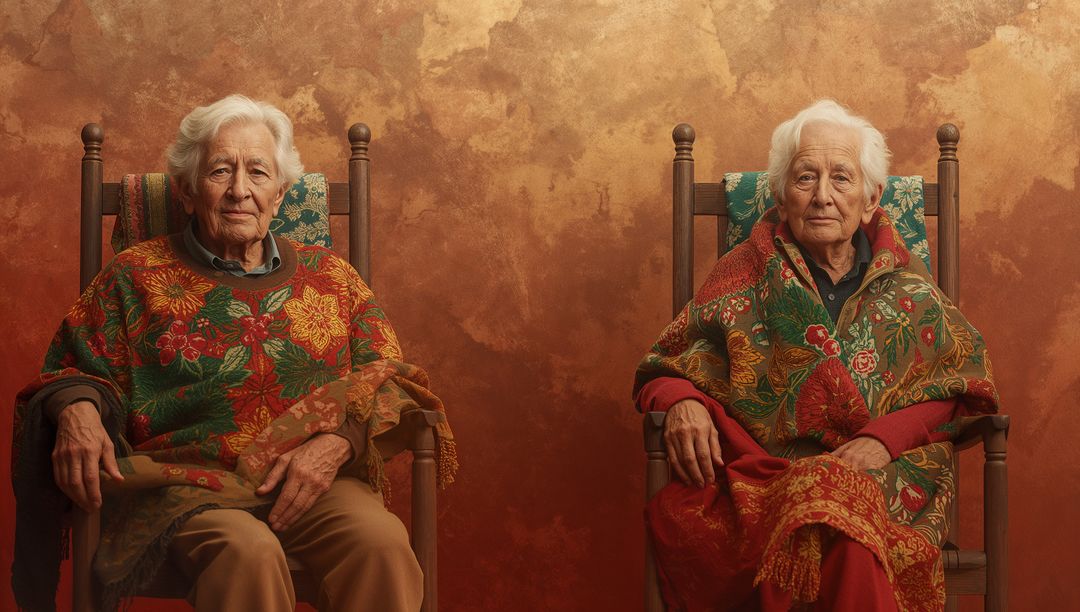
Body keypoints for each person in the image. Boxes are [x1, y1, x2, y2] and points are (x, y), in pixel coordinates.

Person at [12, 95, 457, 612]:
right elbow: (70, 366)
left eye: (258, 173)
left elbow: (388, 378)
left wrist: (339, 442)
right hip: (187, 485)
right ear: (186, 190)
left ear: (281, 193)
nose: (240, 190)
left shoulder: (333, 277)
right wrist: (77, 408)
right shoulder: (135, 275)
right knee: (248, 553)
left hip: (311, 481)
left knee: (382, 546)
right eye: (220, 171)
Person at [635, 100, 997, 612]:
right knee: (839, 523)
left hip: (884, 477)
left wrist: (882, 439)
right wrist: (681, 401)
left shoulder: (909, 286)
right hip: (767, 481)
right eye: (805, 177)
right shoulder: (743, 272)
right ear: (781, 198)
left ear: (871, 199)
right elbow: (667, 364)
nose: (823, 196)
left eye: (841, 178)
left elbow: (961, 385)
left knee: (844, 518)